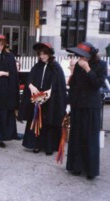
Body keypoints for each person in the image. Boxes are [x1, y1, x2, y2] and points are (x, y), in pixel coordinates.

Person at [65, 42, 107, 180]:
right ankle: (77, 166)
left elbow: (97, 84)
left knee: (90, 138)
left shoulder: (101, 65)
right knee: (76, 137)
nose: (80, 57)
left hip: (91, 107)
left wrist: (88, 69)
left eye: (82, 55)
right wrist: (72, 71)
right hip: (78, 106)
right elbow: (73, 85)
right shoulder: (78, 65)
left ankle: (90, 170)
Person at [18, 43, 67, 155]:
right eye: (40, 54)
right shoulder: (37, 66)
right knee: (36, 121)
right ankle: (36, 144)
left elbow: (59, 83)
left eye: (44, 54)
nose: (42, 56)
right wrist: (30, 85)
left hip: (50, 101)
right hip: (38, 99)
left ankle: (49, 146)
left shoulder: (55, 67)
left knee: (49, 122)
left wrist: (50, 91)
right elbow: (30, 78)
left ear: (49, 54)